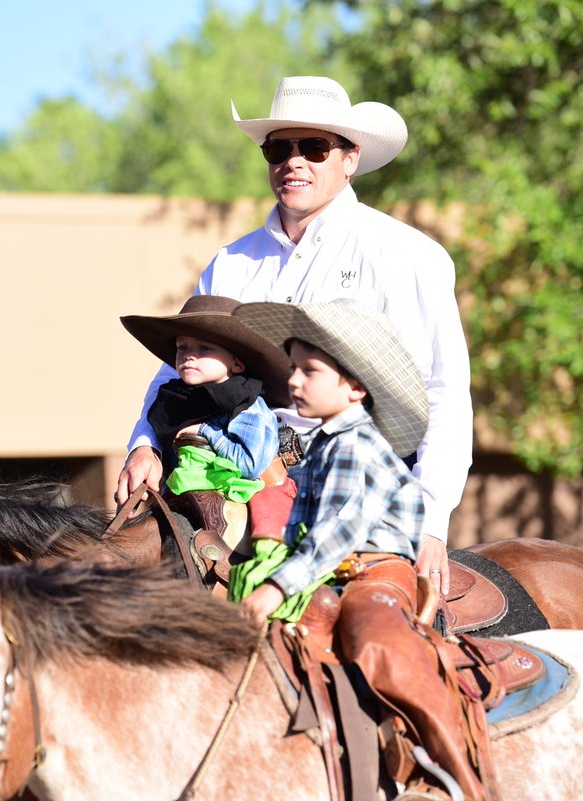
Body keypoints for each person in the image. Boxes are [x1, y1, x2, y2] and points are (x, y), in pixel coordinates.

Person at [116, 75, 472, 595]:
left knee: (368, 641)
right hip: (235, 477)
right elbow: (181, 365)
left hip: (355, 487)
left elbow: (444, 392)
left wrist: (431, 520)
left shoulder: (405, 255)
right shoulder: (232, 263)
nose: (293, 161)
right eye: (279, 148)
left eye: (314, 147)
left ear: (350, 158)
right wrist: (144, 445)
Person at [231, 299, 493, 801]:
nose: (294, 382)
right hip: (330, 574)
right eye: (293, 369)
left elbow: (340, 532)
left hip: (377, 574)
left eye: (310, 371)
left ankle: (450, 768)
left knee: (375, 644)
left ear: (354, 388)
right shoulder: (323, 445)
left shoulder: (359, 446)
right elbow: (300, 524)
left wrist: (275, 586)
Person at [118, 295, 295, 537]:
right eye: (182, 348)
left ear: (237, 364)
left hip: (244, 494)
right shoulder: (175, 400)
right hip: (182, 492)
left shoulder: (248, 405)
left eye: (204, 348)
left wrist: (205, 432)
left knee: (266, 540)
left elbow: (250, 466)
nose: (189, 355)